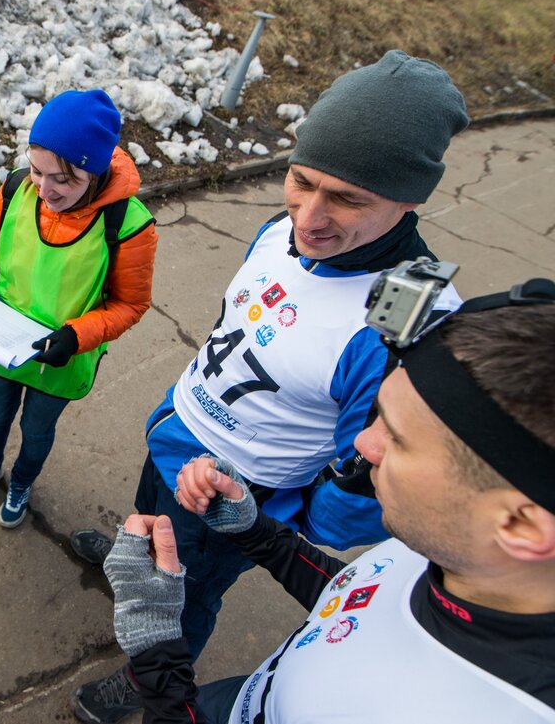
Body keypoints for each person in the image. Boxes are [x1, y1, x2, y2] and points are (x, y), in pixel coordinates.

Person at [71, 50, 469, 722]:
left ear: (410, 200)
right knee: (150, 536)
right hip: (174, 438)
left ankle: (148, 677)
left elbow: (369, 478)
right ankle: (137, 555)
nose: (309, 218)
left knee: (187, 598)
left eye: (348, 199)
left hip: (231, 496)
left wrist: (275, 528)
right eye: (301, 180)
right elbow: (247, 325)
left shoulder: (403, 318)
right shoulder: (284, 230)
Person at [95, 281, 555, 722]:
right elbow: (355, 598)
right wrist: (254, 530)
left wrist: (157, 651)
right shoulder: (456, 555)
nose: (363, 445)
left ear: (521, 525)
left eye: (398, 438)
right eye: (378, 417)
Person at [0, 89, 157, 527]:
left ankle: (22, 483)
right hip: (2, 340)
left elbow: (131, 303)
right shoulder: (15, 188)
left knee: (37, 430)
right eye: (36, 171)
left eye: (62, 180)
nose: (44, 190)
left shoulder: (128, 223)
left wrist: (76, 337)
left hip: (62, 356)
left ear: (94, 173)